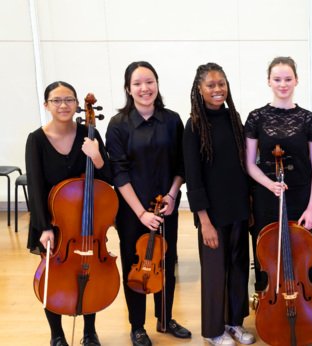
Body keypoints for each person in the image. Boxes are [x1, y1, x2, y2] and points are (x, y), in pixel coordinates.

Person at [105, 61, 190, 346]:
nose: (145, 88)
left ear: (157, 84)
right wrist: (140, 212)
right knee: (135, 266)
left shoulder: (172, 120)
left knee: (165, 263)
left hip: (166, 207)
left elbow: (182, 164)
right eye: (138, 83)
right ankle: (137, 326)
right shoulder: (118, 125)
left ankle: (165, 318)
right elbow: (119, 172)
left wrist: (172, 195)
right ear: (128, 89)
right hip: (132, 211)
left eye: (149, 81)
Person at [25, 81, 110, 346]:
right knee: (53, 279)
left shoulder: (90, 133)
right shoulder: (36, 139)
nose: (63, 105)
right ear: (46, 104)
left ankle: (89, 331)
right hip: (52, 223)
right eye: (56, 100)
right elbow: (36, 186)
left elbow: (106, 178)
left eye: (69, 100)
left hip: (86, 226)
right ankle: (57, 334)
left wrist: (97, 157)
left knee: (90, 271)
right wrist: (44, 228)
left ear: (76, 104)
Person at [183, 62, 254, 346]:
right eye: (210, 85)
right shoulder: (194, 125)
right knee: (215, 274)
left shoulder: (233, 117)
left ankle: (235, 323)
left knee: (238, 269)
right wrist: (205, 222)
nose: (217, 89)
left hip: (237, 209)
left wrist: (248, 206)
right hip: (212, 214)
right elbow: (193, 176)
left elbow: (242, 166)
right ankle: (214, 331)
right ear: (199, 89)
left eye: (221, 83)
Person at [245, 56, 312, 292]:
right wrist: (270, 184)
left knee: (301, 258)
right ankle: (268, 307)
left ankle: (301, 307)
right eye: (277, 79)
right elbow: (249, 163)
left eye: (288, 79)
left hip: (301, 197)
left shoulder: (308, 119)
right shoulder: (256, 117)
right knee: (267, 259)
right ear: (269, 81)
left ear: (296, 80)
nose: (283, 84)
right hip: (266, 197)